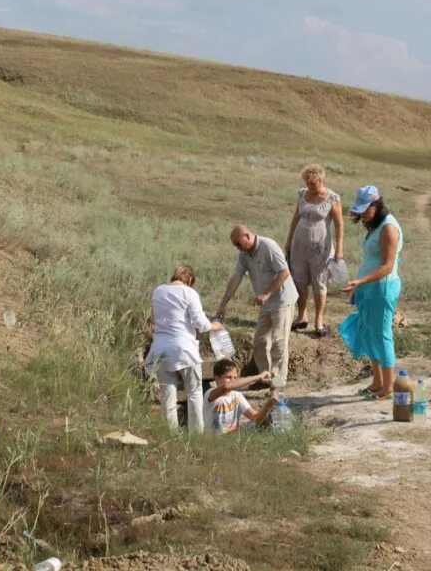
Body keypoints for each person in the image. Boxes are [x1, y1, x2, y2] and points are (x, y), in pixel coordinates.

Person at [339, 186, 404, 401]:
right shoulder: (374, 225)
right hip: (368, 288)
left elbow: (386, 266)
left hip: (382, 288)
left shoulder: (388, 229)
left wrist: (361, 281)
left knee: (382, 335)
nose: (363, 214)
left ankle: (389, 386)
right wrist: (359, 287)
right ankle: (376, 381)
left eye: (366, 210)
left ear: (377, 205)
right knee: (367, 333)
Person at [216, 225, 298, 387]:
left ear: (247, 235)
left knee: (279, 341)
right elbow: (236, 278)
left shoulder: (269, 246)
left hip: (282, 301)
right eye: (235, 245)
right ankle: (265, 377)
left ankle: (278, 382)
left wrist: (266, 294)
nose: (238, 248)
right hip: (266, 305)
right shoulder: (244, 255)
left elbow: (284, 272)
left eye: (238, 243)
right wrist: (223, 305)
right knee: (259, 341)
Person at [145, 265, 222, 433]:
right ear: (190, 280)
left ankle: (170, 434)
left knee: (167, 394)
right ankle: (196, 433)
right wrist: (213, 326)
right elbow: (200, 323)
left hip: (160, 348)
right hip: (184, 349)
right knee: (194, 392)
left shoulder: (158, 291)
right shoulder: (189, 293)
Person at [284, 164, 344, 338]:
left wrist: (339, 250)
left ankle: (319, 319)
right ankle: (302, 315)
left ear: (321, 180)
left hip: (321, 247)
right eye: (307, 183)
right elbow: (296, 217)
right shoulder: (303, 194)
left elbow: (340, 225)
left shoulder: (332, 198)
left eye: (313, 184)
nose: (310, 187)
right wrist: (288, 240)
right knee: (299, 279)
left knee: (319, 281)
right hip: (299, 245)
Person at [204, 359, 277, 434]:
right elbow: (226, 387)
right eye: (228, 377)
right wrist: (258, 377)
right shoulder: (209, 393)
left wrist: (268, 405)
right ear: (216, 378)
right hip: (213, 442)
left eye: (235, 378)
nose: (233, 380)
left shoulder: (237, 396)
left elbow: (256, 418)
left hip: (233, 441)